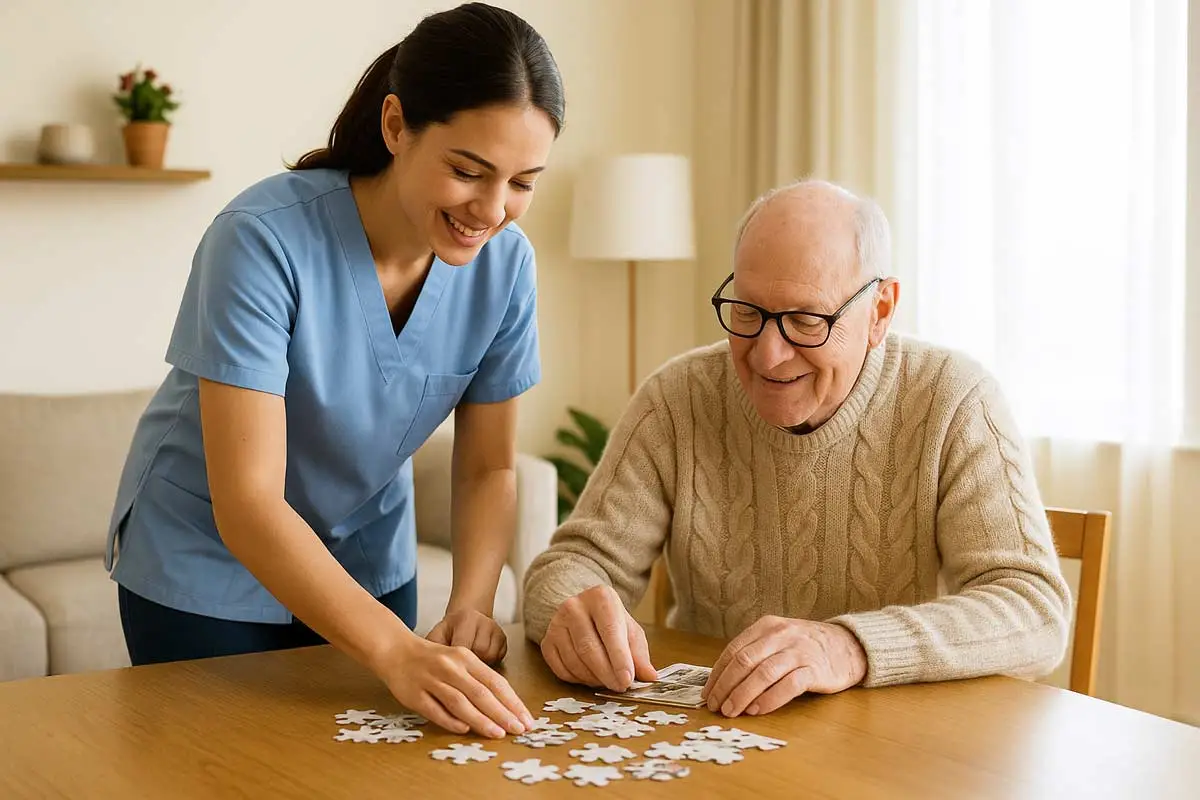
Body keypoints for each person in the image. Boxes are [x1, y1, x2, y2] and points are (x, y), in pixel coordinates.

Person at [106, 2, 563, 739]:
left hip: (367, 558)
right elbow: (249, 501)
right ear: (395, 126)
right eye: (468, 171)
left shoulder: (506, 267)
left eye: (522, 182)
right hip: (206, 561)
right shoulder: (259, 241)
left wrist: (471, 604)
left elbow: (487, 470)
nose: (492, 210)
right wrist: (395, 651)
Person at [522, 179, 1072, 718]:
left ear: (880, 310)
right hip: (719, 738)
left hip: (892, 748)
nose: (767, 355)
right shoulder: (678, 398)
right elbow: (570, 566)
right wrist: (568, 610)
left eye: (806, 321)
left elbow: (1034, 611)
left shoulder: (953, 399)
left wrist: (849, 646)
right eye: (747, 312)